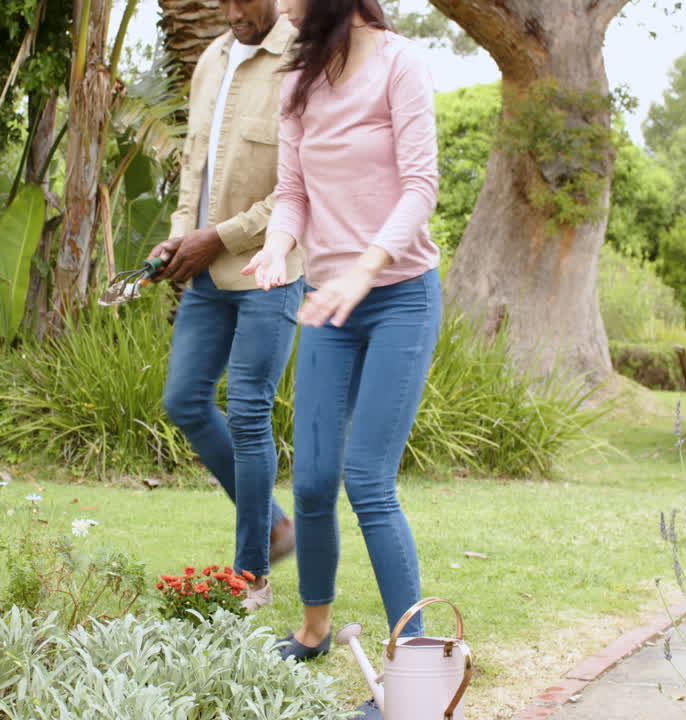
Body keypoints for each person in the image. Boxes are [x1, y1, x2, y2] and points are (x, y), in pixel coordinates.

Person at [241, 0, 442, 662]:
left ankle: (413, 660)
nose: (284, 7)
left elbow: (419, 188)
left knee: (367, 478)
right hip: (329, 302)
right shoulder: (300, 82)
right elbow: (292, 193)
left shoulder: (399, 65)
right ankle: (314, 630)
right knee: (313, 480)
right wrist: (277, 246)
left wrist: (366, 269)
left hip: (399, 300)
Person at [150, 0, 306, 611]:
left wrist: (218, 236)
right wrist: (179, 232)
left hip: (271, 268)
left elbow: (298, 189)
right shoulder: (213, 57)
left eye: (247, 0)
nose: (235, 11)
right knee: (183, 398)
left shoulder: (302, 62)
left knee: (247, 412)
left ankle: (253, 576)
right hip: (205, 270)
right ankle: (273, 523)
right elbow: (196, 166)